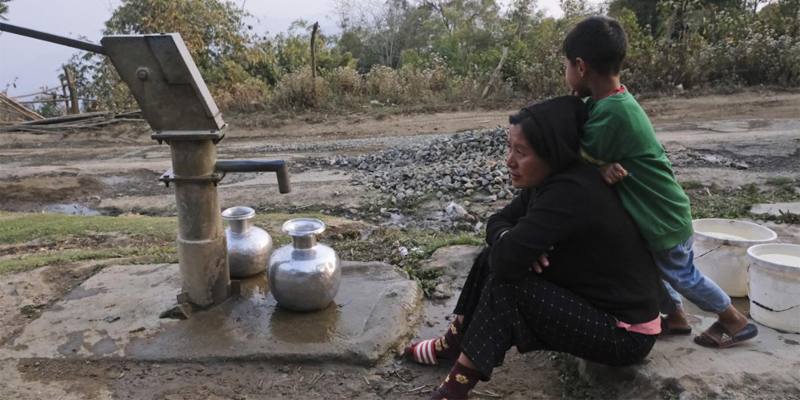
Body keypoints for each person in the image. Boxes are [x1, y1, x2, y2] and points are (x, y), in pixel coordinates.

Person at [405, 96, 664, 400]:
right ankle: (454, 341)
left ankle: (455, 388)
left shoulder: (571, 192)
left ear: (552, 153)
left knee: (508, 286)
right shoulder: (548, 182)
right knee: (491, 256)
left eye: (521, 152)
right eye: (509, 148)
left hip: (623, 332)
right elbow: (498, 221)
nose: (508, 161)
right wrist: (508, 239)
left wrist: (514, 248)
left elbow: (507, 263)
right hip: (595, 304)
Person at [562, 16, 758, 347]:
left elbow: (575, 156)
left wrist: (595, 169)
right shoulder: (610, 101)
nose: (564, 73)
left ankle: (734, 320)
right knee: (653, 270)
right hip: (656, 216)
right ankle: (677, 318)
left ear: (580, 67)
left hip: (663, 218)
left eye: (565, 66)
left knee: (683, 275)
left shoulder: (614, 113)